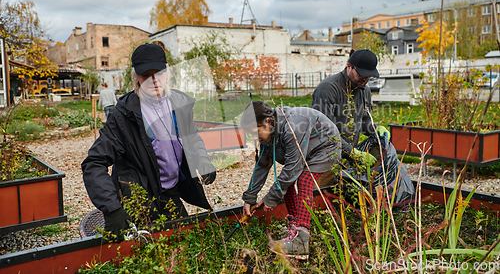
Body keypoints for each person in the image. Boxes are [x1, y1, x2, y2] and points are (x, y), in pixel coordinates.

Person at [81, 43, 217, 241]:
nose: (154, 81)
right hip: (140, 200)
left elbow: (192, 136)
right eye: (146, 75)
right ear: (136, 77)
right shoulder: (124, 115)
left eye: (159, 73)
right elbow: (93, 163)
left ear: (167, 72)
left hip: (172, 193)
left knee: (185, 244)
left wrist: (202, 159)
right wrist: (112, 208)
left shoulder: (179, 103)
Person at [240, 101, 341, 259]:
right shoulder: (270, 129)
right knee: (286, 182)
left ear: (267, 121)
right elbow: (262, 165)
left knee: (303, 180)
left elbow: (293, 169)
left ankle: (301, 240)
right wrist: (250, 197)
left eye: (256, 132)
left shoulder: (293, 126)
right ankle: (294, 228)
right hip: (308, 150)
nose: (255, 137)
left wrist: (270, 198)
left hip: (326, 147)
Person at [311, 49, 390, 167]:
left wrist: (376, 129)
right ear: (349, 67)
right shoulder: (328, 89)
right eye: (361, 74)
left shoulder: (365, 90)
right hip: (323, 156)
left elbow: (363, 121)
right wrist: (352, 152)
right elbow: (323, 130)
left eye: (369, 76)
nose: (365, 79)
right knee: (321, 186)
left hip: (348, 154)